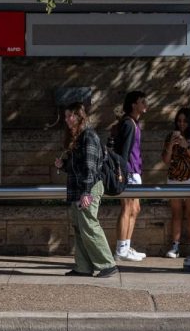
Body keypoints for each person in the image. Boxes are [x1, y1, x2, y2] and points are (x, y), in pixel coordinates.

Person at [55, 102, 118, 278]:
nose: (67, 119)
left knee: (89, 225)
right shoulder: (78, 137)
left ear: (79, 116)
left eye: (70, 116)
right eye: (66, 116)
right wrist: (64, 164)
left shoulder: (89, 136)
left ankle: (108, 264)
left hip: (88, 188)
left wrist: (86, 192)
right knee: (79, 227)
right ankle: (83, 267)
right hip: (78, 188)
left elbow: (91, 168)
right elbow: (78, 166)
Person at [112, 91, 148, 261]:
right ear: (134, 104)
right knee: (127, 209)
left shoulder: (134, 122)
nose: (145, 104)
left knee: (135, 209)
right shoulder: (128, 124)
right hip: (129, 172)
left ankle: (126, 246)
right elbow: (123, 152)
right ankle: (120, 250)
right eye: (142, 101)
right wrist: (122, 174)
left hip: (135, 171)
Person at [161, 106, 190, 259]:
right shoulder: (171, 136)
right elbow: (165, 160)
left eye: (185, 121)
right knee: (176, 213)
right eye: (179, 121)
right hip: (174, 178)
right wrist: (171, 145)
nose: (182, 124)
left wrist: (186, 145)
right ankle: (175, 246)